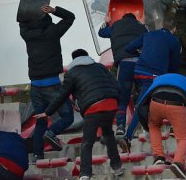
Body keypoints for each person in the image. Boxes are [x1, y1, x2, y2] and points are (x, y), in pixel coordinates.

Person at [34, 49, 124, 180]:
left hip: (93, 107)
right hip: (111, 103)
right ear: (87, 56)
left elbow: (61, 96)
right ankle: (117, 167)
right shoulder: (100, 67)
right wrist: (117, 101)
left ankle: (85, 174)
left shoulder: (71, 73)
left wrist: (47, 112)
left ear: (73, 60)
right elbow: (116, 85)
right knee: (109, 134)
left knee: (87, 142)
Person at [19, 5, 75, 161]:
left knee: (40, 121)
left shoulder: (27, 34)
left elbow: (21, 23)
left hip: (35, 86)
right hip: (52, 85)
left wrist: (27, 11)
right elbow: (70, 17)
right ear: (48, 19)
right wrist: (54, 10)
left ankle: (38, 155)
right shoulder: (53, 31)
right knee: (68, 117)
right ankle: (51, 133)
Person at [136, 73, 186, 179]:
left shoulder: (159, 80)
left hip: (156, 102)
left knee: (154, 126)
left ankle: (158, 157)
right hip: (177, 104)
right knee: (183, 138)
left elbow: (143, 103)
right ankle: (178, 164)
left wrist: (146, 127)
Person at [122, 16, 181, 147]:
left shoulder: (148, 34)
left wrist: (142, 54)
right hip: (154, 76)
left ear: (162, 25)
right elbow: (175, 66)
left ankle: (133, 134)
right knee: (149, 103)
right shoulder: (174, 41)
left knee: (144, 102)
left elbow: (128, 48)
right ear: (174, 29)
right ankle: (128, 137)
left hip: (139, 72)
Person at [98, 12, 147, 137]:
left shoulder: (116, 25)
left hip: (124, 64)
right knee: (143, 96)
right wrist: (143, 24)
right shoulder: (140, 26)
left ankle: (120, 126)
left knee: (123, 98)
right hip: (139, 65)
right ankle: (143, 125)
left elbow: (102, 33)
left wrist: (107, 21)